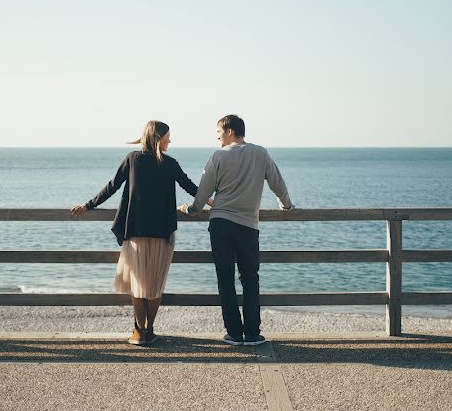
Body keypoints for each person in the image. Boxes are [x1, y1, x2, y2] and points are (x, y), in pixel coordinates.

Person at [71, 120, 197, 345]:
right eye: (168, 136)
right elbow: (192, 188)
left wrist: (89, 205)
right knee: (155, 285)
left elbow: (112, 186)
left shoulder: (132, 159)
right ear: (158, 138)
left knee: (139, 285)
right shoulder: (169, 164)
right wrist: (215, 201)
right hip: (163, 233)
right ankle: (149, 329)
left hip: (136, 231)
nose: (170, 140)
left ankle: (139, 331)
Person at [179, 114, 293, 346]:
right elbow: (277, 182)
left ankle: (233, 333)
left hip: (220, 224)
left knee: (225, 278)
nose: (217, 136)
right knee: (250, 278)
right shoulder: (260, 153)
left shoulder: (218, 156)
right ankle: (252, 333)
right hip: (248, 226)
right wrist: (286, 205)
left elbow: (203, 192)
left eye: (219, 131)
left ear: (229, 130)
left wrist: (191, 209)